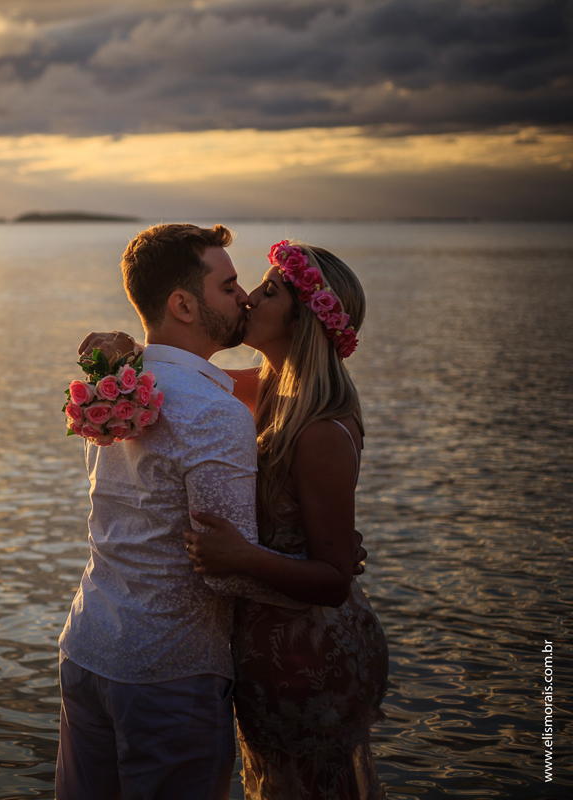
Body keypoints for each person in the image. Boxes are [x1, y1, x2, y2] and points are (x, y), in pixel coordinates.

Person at [84, 239, 389, 799]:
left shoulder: (321, 428)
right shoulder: (258, 387)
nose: (247, 298)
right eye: (246, 286)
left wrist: (246, 556)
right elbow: (178, 387)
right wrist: (114, 359)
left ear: (303, 323)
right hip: (253, 646)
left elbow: (335, 578)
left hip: (306, 650)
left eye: (268, 292)